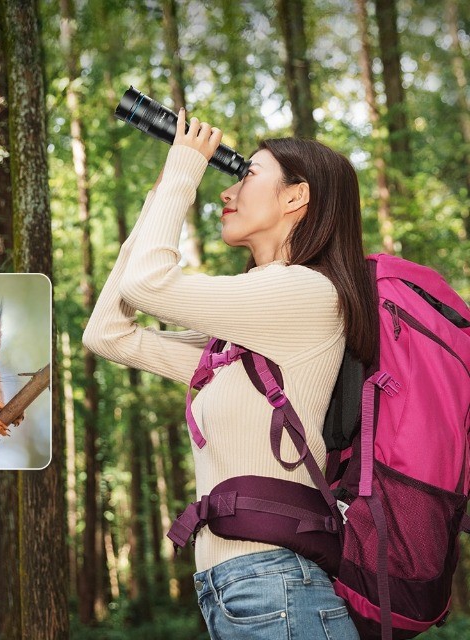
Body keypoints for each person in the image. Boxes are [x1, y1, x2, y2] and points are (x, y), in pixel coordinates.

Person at [83, 108, 374, 639]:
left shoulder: (305, 294)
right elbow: (107, 335)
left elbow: (149, 287)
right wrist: (156, 209)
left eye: (247, 174)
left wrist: (183, 175)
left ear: (295, 197)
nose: (227, 191)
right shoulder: (241, 339)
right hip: (240, 589)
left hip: (276, 586)